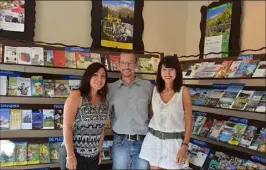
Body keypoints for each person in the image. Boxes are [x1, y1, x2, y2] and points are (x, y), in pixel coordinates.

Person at [139, 55, 193, 169]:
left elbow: (189, 121)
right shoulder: (155, 90)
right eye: (164, 69)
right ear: (159, 72)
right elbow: (151, 114)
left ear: (177, 71)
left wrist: (185, 145)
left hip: (174, 144)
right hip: (153, 140)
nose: (167, 73)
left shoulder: (183, 92)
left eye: (171, 69)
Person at [107, 52, 153, 169]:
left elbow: (153, 112)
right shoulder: (111, 88)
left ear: (135, 65)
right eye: (123, 63)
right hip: (120, 142)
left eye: (130, 63)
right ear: (118, 65)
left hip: (143, 142)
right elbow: (107, 115)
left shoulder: (147, 86)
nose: (126, 66)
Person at [62, 62, 109, 170]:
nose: (99, 79)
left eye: (103, 76)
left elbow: (101, 130)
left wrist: (100, 151)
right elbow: (67, 127)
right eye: (95, 75)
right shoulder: (77, 96)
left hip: (94, 156)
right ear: (88, 76)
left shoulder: (104, 100)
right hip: (76, 155)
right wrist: (70, 155)